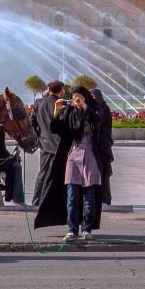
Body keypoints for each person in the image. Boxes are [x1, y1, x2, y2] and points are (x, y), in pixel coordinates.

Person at [34, 85, 109, 242]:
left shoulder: (94, 109)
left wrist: (84, 106)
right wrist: (56, 111)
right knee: (71, 195)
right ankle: (72, 229)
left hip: (91, 156)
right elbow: (56, 129)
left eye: (79, 96)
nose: (76, 99)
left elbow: (99, 121)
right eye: (74, 96)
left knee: (89, 195)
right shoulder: (69, 112)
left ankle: (87, 228)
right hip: (73, 157)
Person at [30, 80, 65, 205]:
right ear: (61, 91)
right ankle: (56, 201)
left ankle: (36, 200)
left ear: (49, 90)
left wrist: (39, 134)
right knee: (59, 173)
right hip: (59, 144)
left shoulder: (38, 103)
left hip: (44, 143)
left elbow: (32, 120)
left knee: (43, 172)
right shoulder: (60, 104)